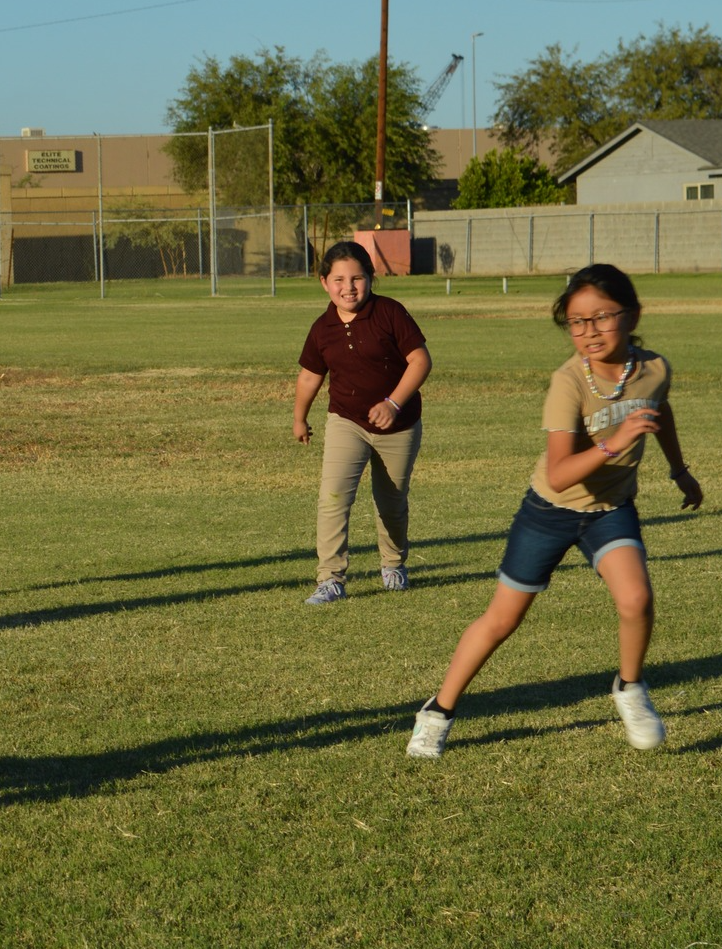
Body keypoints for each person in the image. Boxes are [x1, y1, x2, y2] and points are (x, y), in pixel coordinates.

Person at [407, 263, 702, 759]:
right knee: (502, 620)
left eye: (601, 318)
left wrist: (679, 469)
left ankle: (629, 688)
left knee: (636, 600)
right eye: (576, 322)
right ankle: (437, 711)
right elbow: (562, 472)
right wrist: (615, 442)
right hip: (550, 509)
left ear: (632, 315)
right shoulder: (568, 382)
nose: (588, 332)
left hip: (610, 509)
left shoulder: (654, 369)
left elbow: (658, 408)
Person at [294, 240, 432, 604]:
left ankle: (393, 565)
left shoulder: (389, 313)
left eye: (357, 278)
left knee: (391, 502)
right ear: (324, 282)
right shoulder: (322, 328)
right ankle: (330, 579)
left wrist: (393, 403)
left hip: (398, 426)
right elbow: (310, 377)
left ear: (371, 279)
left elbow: (420, 361)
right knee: (333, 497)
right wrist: (299, 418)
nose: (348, 287)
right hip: (346, 421)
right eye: (338, 279)